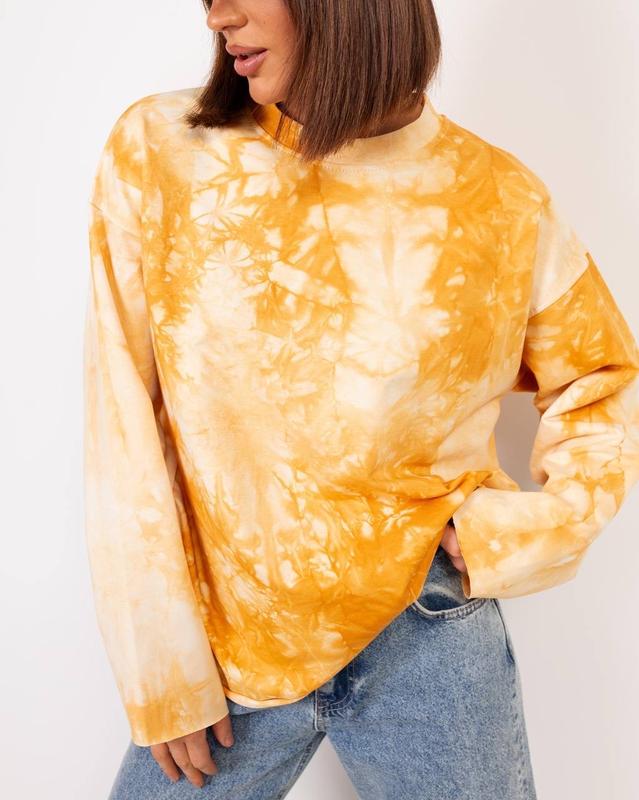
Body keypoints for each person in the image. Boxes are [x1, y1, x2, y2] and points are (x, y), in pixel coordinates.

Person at [83, 1, 639, 797]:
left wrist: (525, 531)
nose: (217, 17)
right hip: (228, 648)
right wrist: (160, 667)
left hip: (428, 634)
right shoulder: (163, 151)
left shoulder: (500, 198)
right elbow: (121, 415)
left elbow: (601, 381)